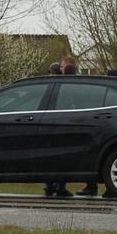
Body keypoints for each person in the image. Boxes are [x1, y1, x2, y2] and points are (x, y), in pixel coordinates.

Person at [77, 66, 117, 198]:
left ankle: (93, 186)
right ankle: (109, 187)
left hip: (105, 129)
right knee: (110, 157)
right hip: (110, 128)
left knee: (94, 155)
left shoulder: (110, 92)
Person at [44, 61, 73, 197]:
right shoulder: (63, 86)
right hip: (60, 124)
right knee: (60, 158)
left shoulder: (51, 86)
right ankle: (59, 186)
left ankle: (51, 186)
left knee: (51, 158)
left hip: (51, 125)